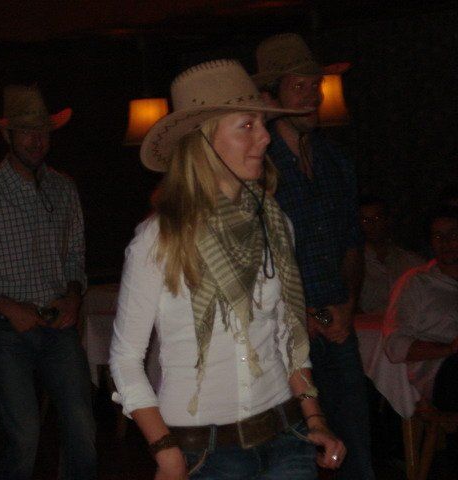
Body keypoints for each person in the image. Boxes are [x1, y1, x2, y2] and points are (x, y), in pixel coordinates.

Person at [110, 59, 345, 480]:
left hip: (286, 435)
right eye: (247, 126)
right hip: (204, 451)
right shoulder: (158, 239)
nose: (265, 137)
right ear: (204, 141)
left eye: (263, 125)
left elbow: (288, 336)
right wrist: (166, 453)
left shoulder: (276, 223)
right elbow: (126, 359)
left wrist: (315, 419)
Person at [0, 84, 96, 480]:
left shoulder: (63, 189)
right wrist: (9, 307)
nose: (36, 140)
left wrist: (73, 296)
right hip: (6, 329)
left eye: (42, 131)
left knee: (83, 424)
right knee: (24, 435)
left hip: (57, 324)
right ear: (7, 136)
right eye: (27, 131)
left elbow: (75, 255)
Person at [254, 33, 374, 479]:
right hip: (282, 336)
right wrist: (298, 314)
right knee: (295, 455)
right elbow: (255, 257)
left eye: (314, 86)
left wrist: (347, 305)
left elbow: (351, 243)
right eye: (298, 86)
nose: (311, 96)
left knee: (355, 449)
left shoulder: (335, 161)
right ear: (272, 97)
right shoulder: (257, 167)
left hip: (336, 327)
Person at [384, 206, 458, 413]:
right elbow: (395, 345)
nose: (446, 242)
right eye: (438, 236)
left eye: (453, 234)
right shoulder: (416, 283)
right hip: (442, 370)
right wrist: (449, 349)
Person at [358, 195, 424, 314]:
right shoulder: (354, 265)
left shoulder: (411, 262)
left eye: (377, 218)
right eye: (365, 220)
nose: (371, 224)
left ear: (387, 220)